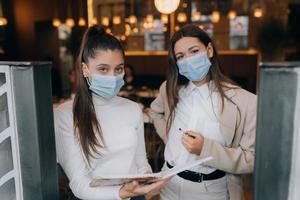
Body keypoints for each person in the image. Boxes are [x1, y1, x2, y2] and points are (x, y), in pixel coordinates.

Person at [54, 25, 168, 200]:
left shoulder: (132, 109)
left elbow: (140, 161)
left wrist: (146, 179)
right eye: (103, 69)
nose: (112, 77)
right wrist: (121, 193)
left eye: (118, 69)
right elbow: (79, 184)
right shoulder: (66, 114)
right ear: (85, 69)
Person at [150, 24, 257, 200]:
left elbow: (251, 159)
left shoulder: (244, 102)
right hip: (168, 184)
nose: (188, 59)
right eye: (180, 56)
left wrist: (206, 148)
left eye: (194, 51)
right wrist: (170, 137)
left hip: (210, 191)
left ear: (209, 50)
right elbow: (155, 113)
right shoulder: (170, 90)